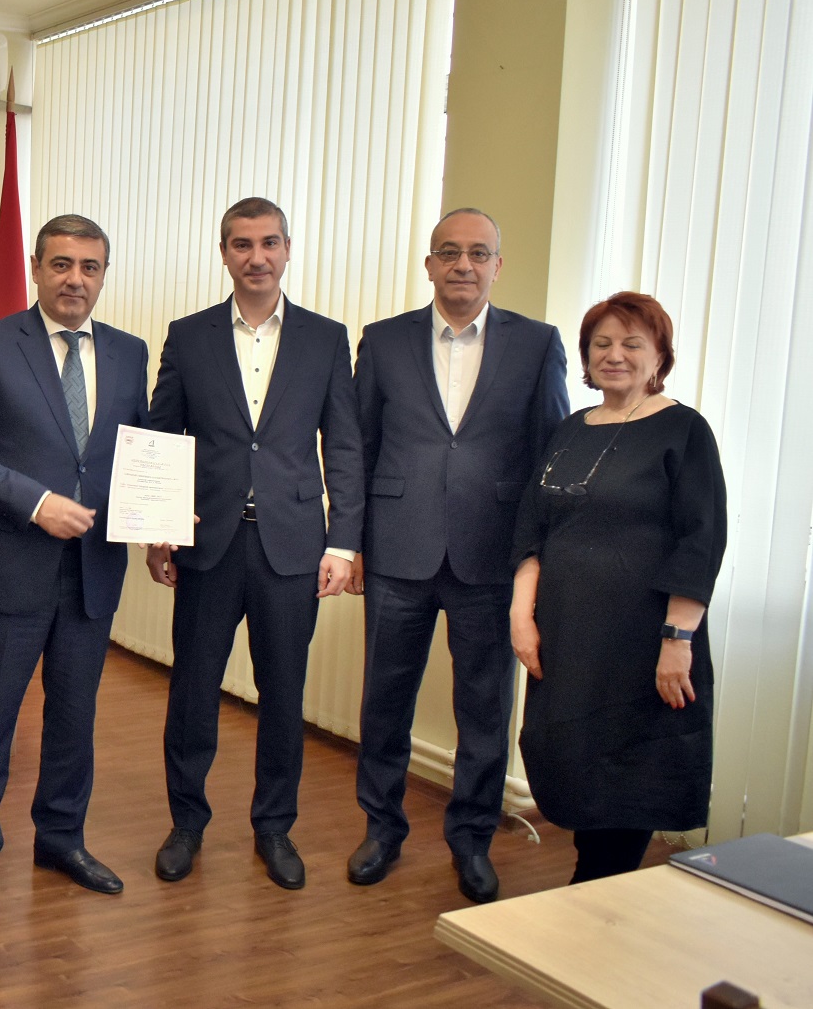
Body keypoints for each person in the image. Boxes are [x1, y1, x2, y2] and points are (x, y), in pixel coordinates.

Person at [345, 208, 569, 903]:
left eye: (478, 253)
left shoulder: (537, 344)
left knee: (484, 708)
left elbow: (550, 455)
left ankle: (472, 838)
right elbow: (358, 447)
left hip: (490, 557)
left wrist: (536, 560)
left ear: (498, 265)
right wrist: (351, 541)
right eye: (449, 252)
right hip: (396, 550)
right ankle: (381, 829)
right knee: (384, 702)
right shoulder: (383, 340)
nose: (463, 265)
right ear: (429, 264)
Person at [146, 197, 364, 890]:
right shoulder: (189, 336)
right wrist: (158, 528)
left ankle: (274, 826)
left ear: (288, 249)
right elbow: (162, 436)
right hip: (207, 544)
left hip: (292, 548)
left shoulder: (326, 339)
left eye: (269, 242)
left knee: (283, 694)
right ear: (224, 253)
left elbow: (345, 447)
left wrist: (344, 543)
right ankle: (186, 823)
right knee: (193, 692)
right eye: (242, 244)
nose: (257, 256)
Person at [0, 214, 151, 918]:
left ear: (104, 274)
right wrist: (37, 504)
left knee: (74, 717)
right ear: (36, 268)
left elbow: (138, 453)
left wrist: (162, 517)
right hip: (8, 565)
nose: (75, 279)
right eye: (61, 264)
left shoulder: (129, 352)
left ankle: (61, 838)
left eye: (90, 266)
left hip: (94, 569)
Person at [511, 291, 726, 883]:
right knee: (575, 763)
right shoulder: (569, 429)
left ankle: (597, 893)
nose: (615, 355)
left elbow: (701, 540)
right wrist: (521, 615)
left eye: (632, 343)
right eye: (601, 343)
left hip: (642, 640)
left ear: (659, 356)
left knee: (628, 774)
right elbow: (532, 529)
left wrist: (678, 639)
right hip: (569, 638)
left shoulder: (684, 430)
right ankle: (593, 887)